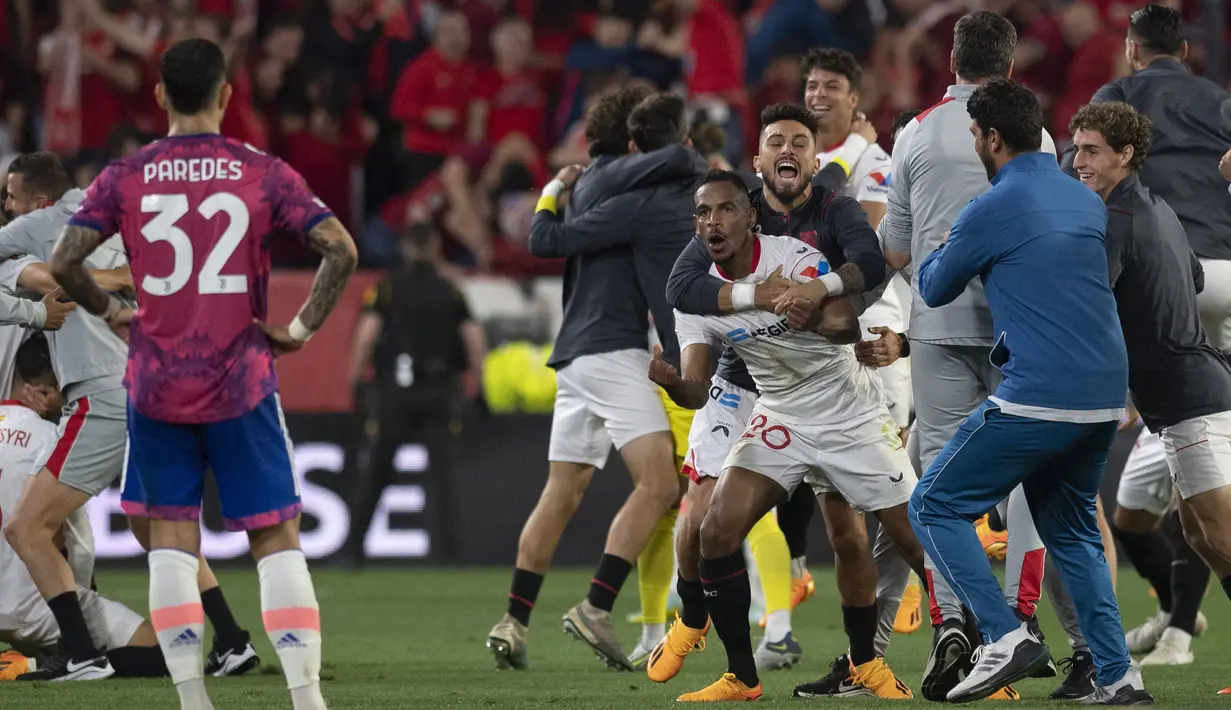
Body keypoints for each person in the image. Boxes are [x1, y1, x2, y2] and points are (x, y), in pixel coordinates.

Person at [49, 38, 358, 710]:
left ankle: (193, 700)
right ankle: (307, 701)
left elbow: (67, 260)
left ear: (159, 96)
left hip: (156, 384)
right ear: (226, 95)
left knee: (169, 539)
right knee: (274, 537)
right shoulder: (262, 171)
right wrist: (300, 330)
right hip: (242, 380)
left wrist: (112, 310)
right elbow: (339, 249)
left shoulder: (124, 176)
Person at [666, 104, 921, 700]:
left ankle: (965, 647)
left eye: (798, 142)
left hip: (846, 406)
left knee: (883, 537)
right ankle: (739, 674)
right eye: (774, 140)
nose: (714, 220)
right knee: (713, 527)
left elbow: (861, 281)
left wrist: (821, 304)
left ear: (814, 158)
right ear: (757, 164)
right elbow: (683, 296)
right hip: (770, 406)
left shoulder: (822, 226)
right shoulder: (707, 261)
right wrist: (677, 381)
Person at [907, 78, 1144, 704]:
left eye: (976, 135)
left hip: (1039, 392)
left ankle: (1005, 635)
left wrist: (950, 237)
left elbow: (932, 287)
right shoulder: (1084, 200)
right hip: (1103, 395)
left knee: (933, 504)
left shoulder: (990, 208)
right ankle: (1119, 676)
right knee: (1073, 534)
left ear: (990, 137)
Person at [1, 150, 260, 683]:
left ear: (40, 202)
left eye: (11, 196)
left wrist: (36, 303)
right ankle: (232, 641)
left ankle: (79, 653)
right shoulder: (128, 227)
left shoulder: (40, 225)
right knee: (154, 525)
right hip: (152, 391)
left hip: (102, 397)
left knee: (26, 527)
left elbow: (48, 271)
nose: (5, 205)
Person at [878, 12, 1061, 700]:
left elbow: (894, 247)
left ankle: (956, 623)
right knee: (1027, 484)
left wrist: (927, 285)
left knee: (940, 489)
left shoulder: (916, 132)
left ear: (948, 61)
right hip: (1020, 329)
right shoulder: (1034, 133)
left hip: (936, 328)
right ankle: (1015, 621)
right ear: (1010, 69)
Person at [486, 87, 697, 673]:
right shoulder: (631, 187)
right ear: (635, 145)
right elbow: (680, 162)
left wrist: (552, 189)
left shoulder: (583, 187)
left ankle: (513, 619)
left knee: (563, 489)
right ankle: (598, 606)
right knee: (660, 486)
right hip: (612, 348)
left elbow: (547, 236)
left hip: (574, 353)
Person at [1060, 3, 1229, 662]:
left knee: (1212, 519)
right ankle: (1177, 624)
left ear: (1131, 49)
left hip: (1164, 275)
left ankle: (1179, 633)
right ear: (1183, 51)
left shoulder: (1118, 103)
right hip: (1210, 266)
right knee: (1179, 512)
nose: (1079, 159)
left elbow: (1094, 301)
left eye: (1087, 150)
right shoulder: (1215, 98)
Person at [804, 46, 923, 641]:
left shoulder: (876, 159)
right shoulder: (790, 159)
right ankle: (863, 652)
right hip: (812, 348)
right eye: (812, 84)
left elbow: (867, 251)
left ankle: (975, 625)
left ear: (856, 98)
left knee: (892, 498)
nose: (818, 94)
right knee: (841, 510)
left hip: (873, 335)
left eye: (831, 85)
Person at [0, 335, 167, 681]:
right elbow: (75, 545)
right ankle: (34, 663)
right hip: (35, 610)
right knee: (156, 654)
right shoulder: (56, 440)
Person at [345, 222, 486, 566]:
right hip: (439, 391)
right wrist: (478, 387)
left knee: (377, 471)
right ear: (435, 247)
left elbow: (367, 334)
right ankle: (451, 556)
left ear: (406, 247)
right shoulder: (449, 290)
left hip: (395, 392)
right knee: (443, 478)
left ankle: (352, 552)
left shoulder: (388, 289)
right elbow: (474, 338)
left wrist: (354, 381)